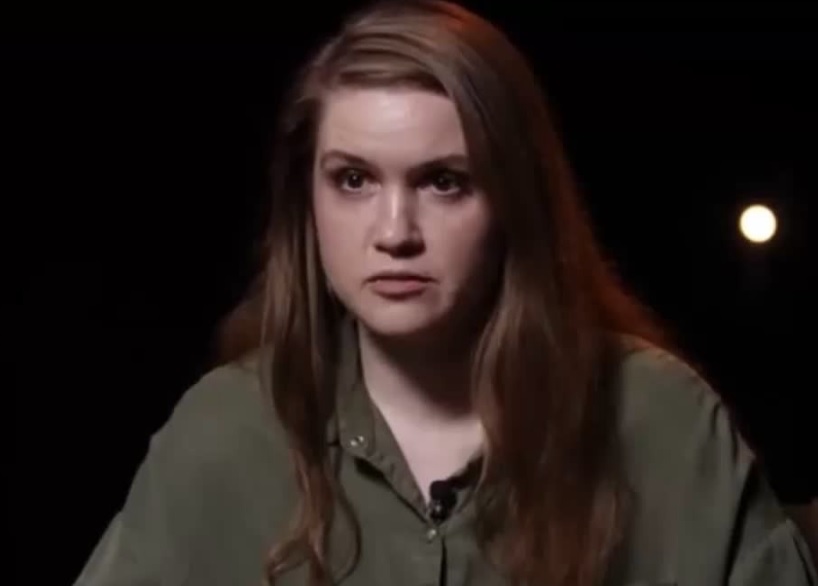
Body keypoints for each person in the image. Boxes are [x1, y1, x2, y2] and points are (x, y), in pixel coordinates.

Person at [73, 1, 817, 584]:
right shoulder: (227, 433)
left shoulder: (660, 424)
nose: (394, 232)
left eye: (443, 181)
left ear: (515, 201)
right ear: (307, 204)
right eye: (353, 180)